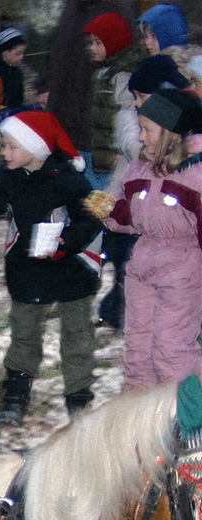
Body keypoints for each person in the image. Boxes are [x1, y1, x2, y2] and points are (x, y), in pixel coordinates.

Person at [0, 111, 103, 425]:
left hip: (70, 269)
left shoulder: (67, 179)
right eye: (3, 146)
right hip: (28, 269)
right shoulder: (8, 176)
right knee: (24, 333)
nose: (3, 152)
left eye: (11, 146)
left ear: (35, 148)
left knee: (76, 334)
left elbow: (89, 218)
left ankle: (79, 396)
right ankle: (16, 393)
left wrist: (65, 244)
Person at [88, 89, 202, 389]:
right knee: (138, 348)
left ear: (171, 134)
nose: (140, 137)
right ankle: (139, 418)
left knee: (172, 349)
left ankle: (190, 417)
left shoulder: (195, 174)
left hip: (184, 270)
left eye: (147, 130)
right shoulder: (140, 169)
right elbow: (128, 214)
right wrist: (109, 211)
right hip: (142, 267)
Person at [82, 12, 144, 331]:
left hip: (119, 173)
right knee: (112, 244)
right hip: (105, 169)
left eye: (97, 42)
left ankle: (120, 309)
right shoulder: (105, 74)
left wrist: (118, 170)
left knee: (121, 248)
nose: (91, 47)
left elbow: (126, 126)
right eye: (90, 42)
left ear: (115, 42)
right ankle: (114, 307)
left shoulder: (122, 78)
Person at [0, 27, 29, 113]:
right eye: (17, 53)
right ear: (4, 52)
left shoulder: (16, 73)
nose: (21, 57)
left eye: (22, 53)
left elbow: (18, 100)